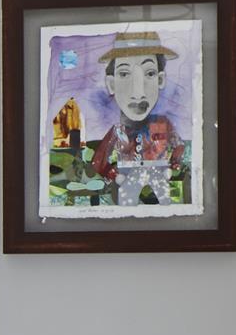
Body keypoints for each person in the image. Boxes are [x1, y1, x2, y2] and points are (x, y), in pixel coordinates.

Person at [81, 28, 193, 207]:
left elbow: (179, 145)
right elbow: (98, 160)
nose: (138, 92)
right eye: (124, 74)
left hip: (158, 171)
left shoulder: (163, 124)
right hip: (128, 174)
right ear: (111, 84)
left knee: (165, 204)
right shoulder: (118, 131)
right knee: (127, 203)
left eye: (149, 73)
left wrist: (173, 164)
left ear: (160, 80)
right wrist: (112, 173)